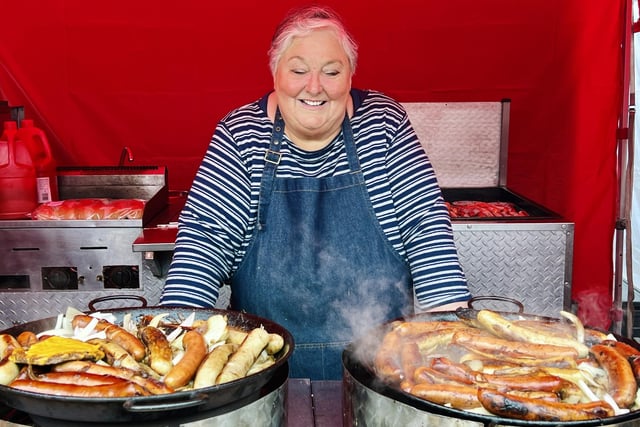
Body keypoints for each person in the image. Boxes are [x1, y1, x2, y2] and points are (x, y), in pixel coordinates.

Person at [160, 5, 471, 380]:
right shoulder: (241, 134)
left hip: (383, 371)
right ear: (275, 72)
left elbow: (427, 230)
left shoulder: (383, 123)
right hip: (262, 373)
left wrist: (456, 339)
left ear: (350, 74)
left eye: (331, 71)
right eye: (298, 70)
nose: (314, 86)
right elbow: (204, 243)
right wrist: (174, 344)